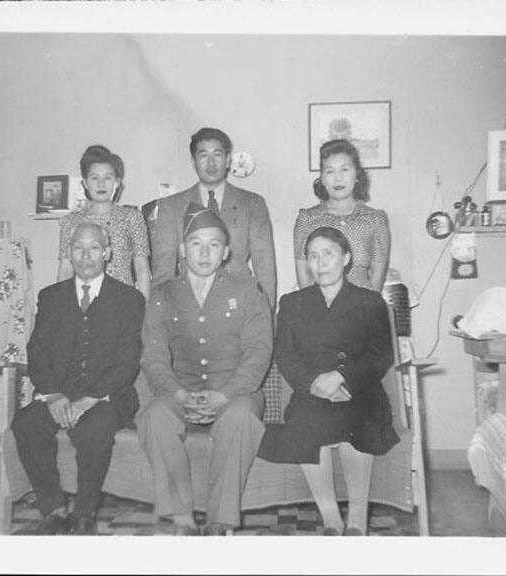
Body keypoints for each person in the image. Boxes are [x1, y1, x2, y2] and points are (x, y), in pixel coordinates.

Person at [138, 204, 273, 536]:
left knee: (241, 418)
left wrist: (224, 395)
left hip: (235, 392)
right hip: (181, 390)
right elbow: (153, 357)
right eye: (196, 243)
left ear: (226, 252)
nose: (204, 252)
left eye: (214, 244)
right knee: (155, 415)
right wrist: (179, 394)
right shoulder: (162, 295)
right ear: (183, 250)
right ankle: (181, 516)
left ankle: (220, 520)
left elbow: (258, 352)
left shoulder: (247, 291)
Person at [258, 226, 399, 536]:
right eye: (313, 255)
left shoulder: (370, 301)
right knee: (306, 420)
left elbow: (380, 356)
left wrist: (341, 376)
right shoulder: (293, 303)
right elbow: (286, 356)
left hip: (359, 388)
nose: (320, 262)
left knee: (356, 419)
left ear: (346, 258)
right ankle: (332, 518)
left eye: (329, 254)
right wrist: (313, 383)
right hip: (312, 389)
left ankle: (358, 516)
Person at [13, 222, 145, 535]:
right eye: (78, 248)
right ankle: (54, 511)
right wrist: (53, 394)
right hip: (58, 394)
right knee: (26, 423)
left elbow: (128, 360)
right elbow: (38, 350)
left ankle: (85, 515)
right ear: (69, 254)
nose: (86, 255)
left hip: (106, 397)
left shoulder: (129, 299)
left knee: (94, 430)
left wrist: (91, 399)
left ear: (108, 253)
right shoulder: (51, 297)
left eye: (94, 248)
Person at [150, 127, 276, 309]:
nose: (211, 163)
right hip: (188, 308)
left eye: (217, 155)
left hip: (240, 305)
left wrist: (265, 317)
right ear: (193, 162)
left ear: (227, 161)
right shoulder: (171, 207)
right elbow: (163, 271)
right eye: (203, 156)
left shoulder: (252, 204)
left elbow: (265, 268)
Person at [294, 139, 390, 292]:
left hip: (361, 308)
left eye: (344, 170)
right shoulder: (307, 219)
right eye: (330, 171)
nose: (338, 178)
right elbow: (303, 275)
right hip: (319, 307)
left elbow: (377, 276)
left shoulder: (375, 219)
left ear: (357, 175)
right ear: (322, 179)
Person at [57, 145, 151, 300]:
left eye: (107, 178)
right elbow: (66, 270)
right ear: (85, 183)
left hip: (122, 302)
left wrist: (143, 308)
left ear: (117, 182)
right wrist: (63, 307)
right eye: (94, 178)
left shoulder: (132, 218)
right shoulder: (70, 222)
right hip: (83, 301)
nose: (101, 184)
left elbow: (141, 268)